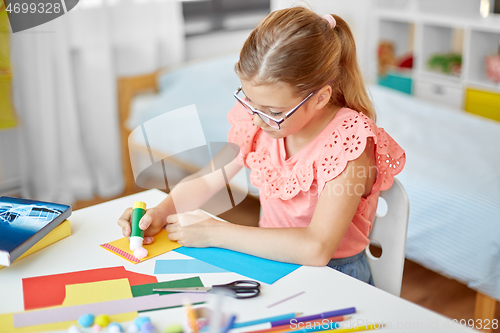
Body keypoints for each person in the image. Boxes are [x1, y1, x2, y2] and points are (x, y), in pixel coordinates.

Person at [117, 7, 405, 284]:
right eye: (250, 102)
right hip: (267, 260)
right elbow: (207, 179)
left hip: (334, 277)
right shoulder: (261, 121)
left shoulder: (349, 141)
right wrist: (160, 211)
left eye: (273, 111)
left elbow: (317, 248)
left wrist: (216, 232)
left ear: (320, 98)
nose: (256, 121)